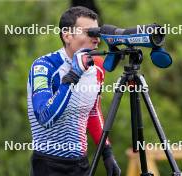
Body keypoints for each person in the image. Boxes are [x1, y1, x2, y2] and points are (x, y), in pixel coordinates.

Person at [27, 6, 121, 176]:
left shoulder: (98, 66)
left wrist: (106, 151)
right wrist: (73, 75)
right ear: (67, 35)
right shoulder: (44, 66)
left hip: (80, 164)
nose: (96, 40)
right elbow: (44, 117)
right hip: (48, 164)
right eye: (89, 33)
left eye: (97, 33)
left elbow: (93, 111)